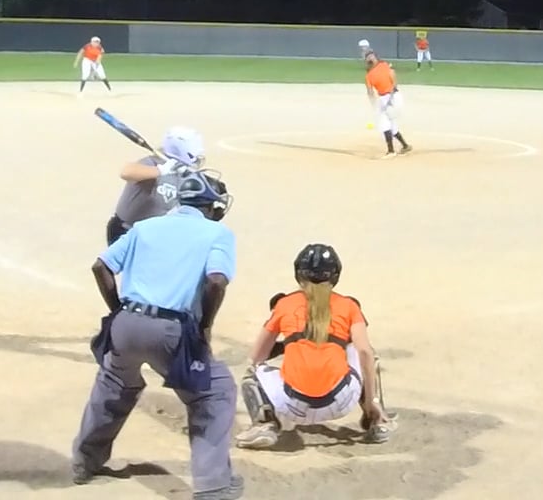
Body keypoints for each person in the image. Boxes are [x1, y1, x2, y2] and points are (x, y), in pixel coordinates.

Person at [71, 168, 241, 498]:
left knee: (114, 384)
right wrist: (205, 326)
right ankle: (213, 485)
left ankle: (84, 462)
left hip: (127, 325)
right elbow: (216, 280)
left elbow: (100, 266)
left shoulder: (146, 226)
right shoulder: (217, 233)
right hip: (171, 331)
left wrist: (117, 311)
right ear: (211, 206)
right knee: (214, 393)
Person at [236, 243, 394, 450]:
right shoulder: (349, 306)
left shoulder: (285, 304)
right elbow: (364, 352)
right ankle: (377, 421)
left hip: (292, 405)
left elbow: (257, 356)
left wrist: (288, 344)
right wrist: (371, 400)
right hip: (341, 402)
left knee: (252, 374)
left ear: (298, 273)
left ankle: (264, 425)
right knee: (366, 354)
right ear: (335, 275)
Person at [105, 126, 206, 245]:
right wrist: (160, 171)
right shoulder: (153, 163)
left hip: (155, 233)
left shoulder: (185, 171)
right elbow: (126, 172)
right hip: (128, 231)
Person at [364, 51, 411, 157]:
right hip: (386, 98)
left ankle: (391, 151)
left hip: (393, 96)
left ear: (376, 58)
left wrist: (393, 88)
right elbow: (370, 92)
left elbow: (392, 74)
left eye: (371, 56)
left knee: (384, 123)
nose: (370, 58)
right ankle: (405, 146)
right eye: (368, 57)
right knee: (390, 123)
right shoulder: (368, 76)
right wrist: (374, 104)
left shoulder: (383, 65)